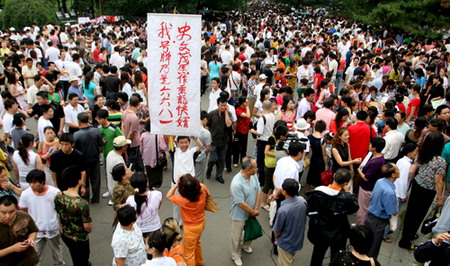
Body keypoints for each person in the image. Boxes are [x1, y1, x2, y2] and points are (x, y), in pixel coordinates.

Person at [399, 132, 446, 250]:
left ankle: (406, 235)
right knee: (419, 215)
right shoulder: (440, 161)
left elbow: (411, 171)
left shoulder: (421, 154)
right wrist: (440, 198)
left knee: (411, 212)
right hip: (428, 191)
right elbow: (438, 181)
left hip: (417, 185)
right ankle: (406, 240)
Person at [305, 168, 359, 266]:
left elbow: (309, 208)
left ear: (334, 176)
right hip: (338, 232)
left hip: (320, 230)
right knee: (337, 257)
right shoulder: (345, 197)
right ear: (345, 183)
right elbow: (353, 208)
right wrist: (347, 193)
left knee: (317, 255)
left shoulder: (318, 191)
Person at [18, 169, 64, 266]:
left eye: (34, 182)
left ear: (43, 181)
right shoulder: (25, 194)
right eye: (30, 182)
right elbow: (24, 212)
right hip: (36, 232)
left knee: (57, 253)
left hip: (52, 229)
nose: (32, 185)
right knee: (35, 256)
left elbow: (61, 210)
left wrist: (61, 224)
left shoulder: (55, 192)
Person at [166, 174, 209, 266]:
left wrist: (177, 184)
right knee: (197, 243)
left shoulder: (183, 200)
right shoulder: (203, 189)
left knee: (189, 254)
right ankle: (199, 262)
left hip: (191, 228)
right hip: (201, 222)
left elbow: (168, 196)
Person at [54, 166, 93, 266]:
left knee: (75, 257)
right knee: (82, 261)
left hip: (66, 234)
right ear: (79, 180)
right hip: (79, 238)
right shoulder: (81, 203)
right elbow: (87, 227)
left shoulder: (58, 196)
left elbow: (58, 213)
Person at [229, 156, 261, 266]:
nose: (257, 169)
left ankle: (246, 245)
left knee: (249, 232)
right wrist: (253, 212)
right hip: (239, 214)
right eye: (255, 167)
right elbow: (240, 203)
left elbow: (258, 190)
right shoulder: (236, 183)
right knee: (236, 236)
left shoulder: (254, 176)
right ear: (248, 170)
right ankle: (235, 255)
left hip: (252, 211)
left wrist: (256, 207)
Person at [365, 163, 400, 258]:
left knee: (367, 243)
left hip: (370, 216)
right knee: (373, 248)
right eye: (397, 170)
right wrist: (396, 205)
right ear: (393, 175)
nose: (399, 171)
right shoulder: (389, 192)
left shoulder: (380, 181)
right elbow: (393, 211)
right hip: (378, 222)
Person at [272, 178, 307, 266]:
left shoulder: (283, 210)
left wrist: (277, 239)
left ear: (284, 191)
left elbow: (277, 231)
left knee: (285, 263)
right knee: (290, 258)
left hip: (285, 243)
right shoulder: (302, 201)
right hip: (297, 239)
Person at [0, 195, 39, 265]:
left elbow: (33, 231)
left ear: (17, 208)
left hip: (29, 261)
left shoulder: (24, 217)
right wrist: (13, 248)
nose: (8, 216)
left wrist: (30, 239)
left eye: (11, 212)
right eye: (3, 212)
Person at [356, 137, 386, 225]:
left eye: (370, 144)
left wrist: (359, 171)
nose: (369, 145)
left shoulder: (376, 162)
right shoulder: (378, 157)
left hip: (367, 188)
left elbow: (366, 177)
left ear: (374, 148)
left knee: (362, 208)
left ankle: (360, 226)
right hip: (370, 187)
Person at [74, 112, 103, 204]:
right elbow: (100, 146)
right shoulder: (96, 131)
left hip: (82, 162)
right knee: (96, 180)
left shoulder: (76, 135)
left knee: (84, 181)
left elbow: (75, 150)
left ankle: (85, 198)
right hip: (95, 159)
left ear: (78, 121)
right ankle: (95, 199)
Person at [126, 172, 162, 237]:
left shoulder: (129, 200)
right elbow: (158, 206)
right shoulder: (157, 194)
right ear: (147, 183)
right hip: (155, 230)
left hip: (137, 231)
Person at [206, 97, 232, 184]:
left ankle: (219, 175)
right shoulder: (211, 114)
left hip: (223, 141)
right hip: (213, 141)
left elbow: (228, 124)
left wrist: (227, 113)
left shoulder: (228, 114)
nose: (223, 107)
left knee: (221, 159)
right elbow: (207, 126)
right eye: (222, 105)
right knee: (213, 159)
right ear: (218, 105)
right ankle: (209, 170)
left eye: (225, 105)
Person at [250, 100, 276, 186]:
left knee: (261, 162)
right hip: (270, 140)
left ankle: (262, 180)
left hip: (262, 142)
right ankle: (268, 178)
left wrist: (253, 131)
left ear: (263, 107)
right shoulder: (273, 116)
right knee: (268, 160)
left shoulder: (262, 118)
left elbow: (259, 132)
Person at [141, 121, 167, 188]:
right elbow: (163, 147)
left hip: (147, 158)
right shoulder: (158, 135)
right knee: (158, 173)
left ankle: (151, 184)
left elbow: (141, 147)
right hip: (157, 158)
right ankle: (157, 185)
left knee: (149, 172)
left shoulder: (143, 135)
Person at [122, 96, 144, 171]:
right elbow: (132, 132)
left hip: (129, 140)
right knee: (131, 162)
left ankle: (141, 173)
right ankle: (128, 175)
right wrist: (127, 142)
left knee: (138, 161)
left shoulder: (124, 112)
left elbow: (123, 125)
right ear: (137, 104)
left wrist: (124, 137)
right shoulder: (134, 117)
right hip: (133, 143)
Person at [306, 120, 327, 191]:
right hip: (320, 160)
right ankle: (316, 192)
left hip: (313, 158)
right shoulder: (322, 140)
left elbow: (308, 150)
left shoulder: (309, 137)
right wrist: (326, 165)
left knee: (310, 175)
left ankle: (307, 191)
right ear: (323, 129)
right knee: (319, 177)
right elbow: (324, 154)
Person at [191, 111, 211, 182]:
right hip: (201, 156)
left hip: (191, 155)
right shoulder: (206, 133)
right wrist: (205, 154)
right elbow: (208, 147)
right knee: (199, 175)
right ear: (205, 119)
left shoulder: (190, 129)